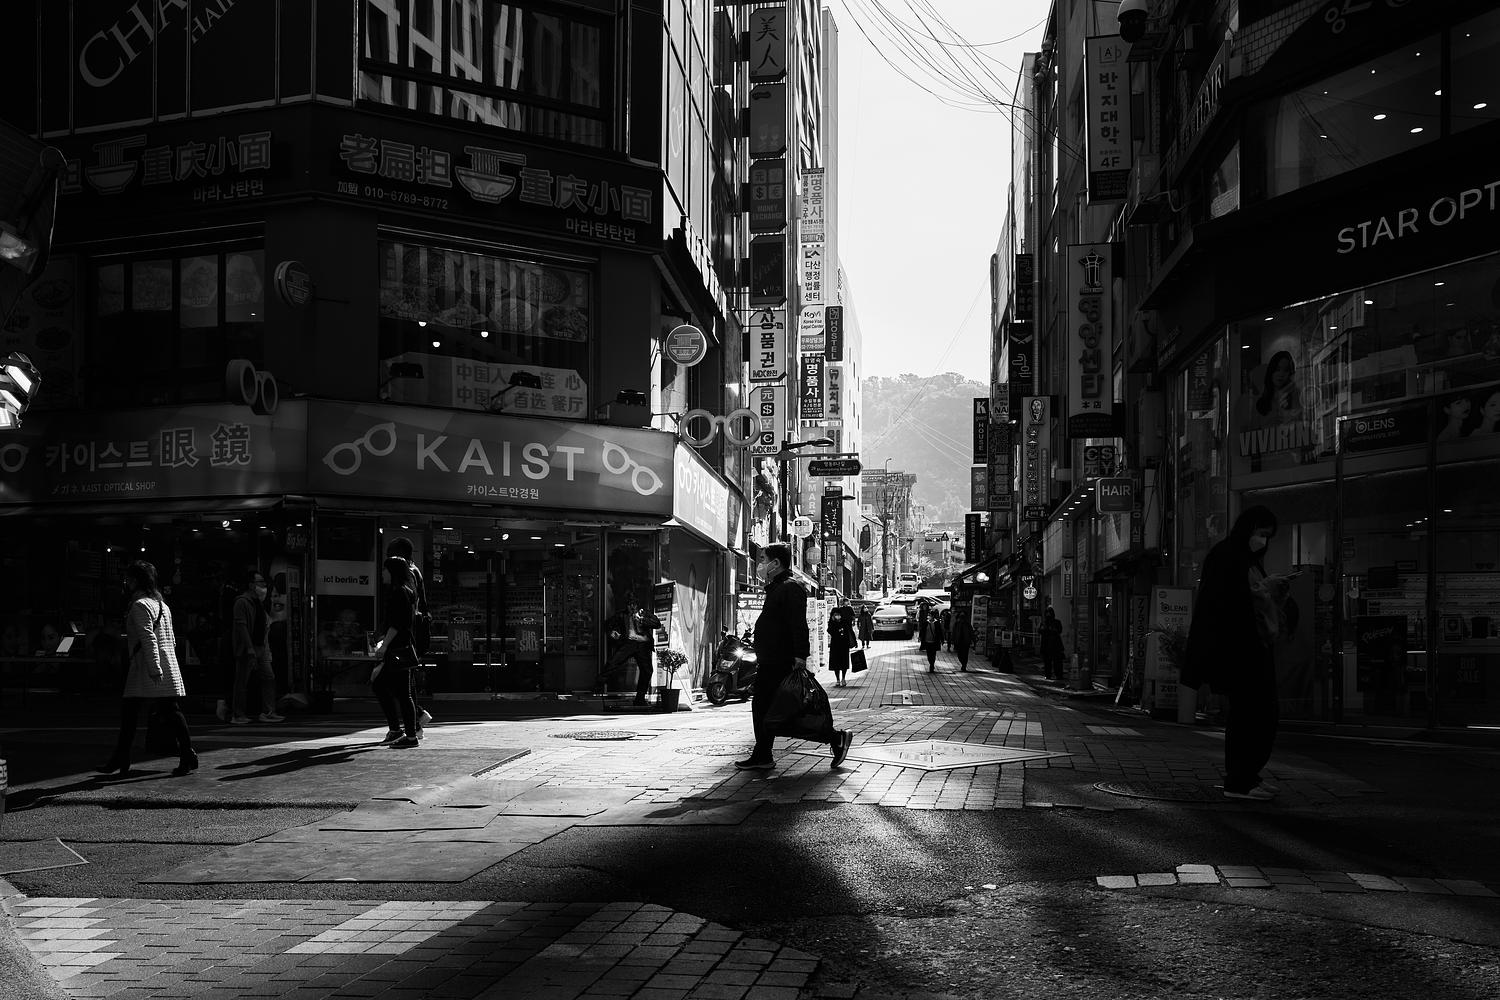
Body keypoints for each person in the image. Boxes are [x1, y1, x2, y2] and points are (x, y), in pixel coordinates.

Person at [1183, 505, 1290, 802]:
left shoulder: (1245, 558)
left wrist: (1269, 592)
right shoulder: (1228, 556)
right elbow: (1231, 603)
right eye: (1261, 533)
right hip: (1240, 651)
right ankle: (1240, 780)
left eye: (1268, 536)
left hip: (1252, 648)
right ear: (1248, 529)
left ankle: (1248, 775)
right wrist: (1266, 590)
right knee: (1250, 716)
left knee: (1258, 715)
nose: (1263, 540)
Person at [735, 542, 852, 772]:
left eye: (762, 559)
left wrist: (800, 656)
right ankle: (764, 754)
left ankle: (834, 738)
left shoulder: (790, 588)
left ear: (775, 563)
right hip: (771, 661)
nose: (759, 564)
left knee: (784, 711)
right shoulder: (777, 588)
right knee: (771, 710)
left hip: (780, 662)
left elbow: (798, 625)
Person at [99, 560, 197, 778]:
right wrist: (165, 665)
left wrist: (155, 668)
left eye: (128, 578)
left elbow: (147, 638)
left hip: (147, 666)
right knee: (168, 711)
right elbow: (170, 639)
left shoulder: (139, 605)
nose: (126, 582)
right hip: (164, 664)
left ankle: (122, 758)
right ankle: (185, 754)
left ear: (136, 581)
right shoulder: (162, 605)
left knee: (138, 713)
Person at [371, 555, 421, 748]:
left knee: (387, 688)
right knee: (399, 691)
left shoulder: (399, 592)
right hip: (403, 647)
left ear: (392, 571)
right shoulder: (407, 591)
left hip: (397, 648)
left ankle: (406, 734)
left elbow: (398, 624)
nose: (382, 573)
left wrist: (384, 645)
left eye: (385, 569)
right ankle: (403, 732)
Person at [385, 536, 434, 734]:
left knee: (402, 680)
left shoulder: (407, 574)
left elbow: (409, 606)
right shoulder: (414, 570)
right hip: (414, 631)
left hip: (409, 633)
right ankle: (415, 720)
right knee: (405, 678)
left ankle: (414, 723)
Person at [230, 570, 283, 724]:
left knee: (269, 677)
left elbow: (263, 626)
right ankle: (238, 714)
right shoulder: (242, 602)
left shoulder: (258, 602)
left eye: (263, 583)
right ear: (251, 584)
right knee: (242, 680)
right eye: (260, 582)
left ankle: (268, 711)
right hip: (248, 646)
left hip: (261, 646)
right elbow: (241, 627)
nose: (263, 586)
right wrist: (249, 647)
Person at [603, 595, 659, 706]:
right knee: (613, 662)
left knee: (647, 670)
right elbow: (607, 624)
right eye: (630, 605)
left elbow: (657, 624)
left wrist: (642, 620)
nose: (632, 607)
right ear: (627, 606)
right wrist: (612, 632)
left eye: (634, 605)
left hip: (643, 644)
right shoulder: (622, 615)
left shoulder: (644, 614)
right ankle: (599, 684)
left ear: (637, 606)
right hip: (629, 643)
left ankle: (640, 698)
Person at [1253, 351, 1302, 426]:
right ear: (1271, 371)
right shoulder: (1262, 401)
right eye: (1277, 369)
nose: (1281, 374)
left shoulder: (1296, 395)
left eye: (1286, 370)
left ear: (1290, 374)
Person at [827, 601, 856, 687]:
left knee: (844, 663)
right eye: (836, 615)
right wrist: (834, 624)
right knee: (836, 663)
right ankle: (837, 679)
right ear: (833, 615)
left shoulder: (844, 622)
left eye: (839, 614)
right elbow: (830, 631)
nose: (838, 616)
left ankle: (843, 678)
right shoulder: (831, 623)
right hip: (835, 645)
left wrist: (854, 641)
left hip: (844, 645)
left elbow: (849, 631)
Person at [1040, 607, 1065, 681]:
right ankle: (1048, 675)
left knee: (1057, 661)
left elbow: (1059, 630)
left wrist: (1052, 630)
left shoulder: (1056, 622)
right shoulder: (1044, 622)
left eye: (1049, 613)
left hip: (1055, 644)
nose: (1048, 615)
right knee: (1047, 661)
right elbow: (1039, 630)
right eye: (1047, 613)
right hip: (1047, 644)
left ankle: (1058, 675)